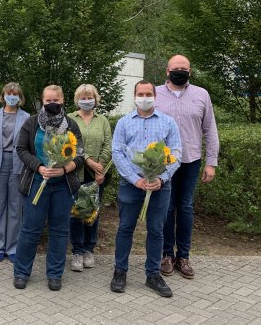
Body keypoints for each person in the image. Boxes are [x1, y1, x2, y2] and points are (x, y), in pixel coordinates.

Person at [110, 80, 181, 298]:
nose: (144, 97)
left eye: (148, 93)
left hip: (160, 186)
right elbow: (117, 153)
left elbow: (177, 153)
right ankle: (120, 271)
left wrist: (162, 177)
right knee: (125, 228)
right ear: (134, 95)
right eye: (140, 93)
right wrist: (134, 179)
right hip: (132, 185)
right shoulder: (123, 123)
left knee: (156, 231)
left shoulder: (168, 122)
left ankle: (152, 275)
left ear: (154, 96)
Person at [13, 85, 85, 291]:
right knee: (30, 229)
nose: (51, 104)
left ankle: (55, 274)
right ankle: (21, 272)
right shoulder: (31, 122)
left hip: (62, 185)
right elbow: (21, 149)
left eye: (55, 100)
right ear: (42, 101)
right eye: (47, 101)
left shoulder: (71, 124)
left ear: (62, 100)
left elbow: (80, 154)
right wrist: (39, 167)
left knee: (60, 230)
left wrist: (63, 170)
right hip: (37, 182)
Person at [155, 55, 219, 279]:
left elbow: (210, 130)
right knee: (166, 207)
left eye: (184, 68)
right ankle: (166, 254)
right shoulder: (155, 94)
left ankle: (183, 256)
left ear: (190, 72)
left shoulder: (201, 95)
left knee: (185, 207)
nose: (180, 71)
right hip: (163, 162)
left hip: (191, 160)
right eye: (176, 68)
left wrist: (211, 162)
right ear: (167, 71)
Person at [0, 82, 30, 262]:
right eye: (9, 93)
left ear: (20, 97)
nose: (12, 96)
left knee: (15, 209)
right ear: (3, 95)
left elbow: (28, 144)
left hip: (18, 164)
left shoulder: (25, 117)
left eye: (15, 93)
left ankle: (13, 248)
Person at [68, 84, 112, 272]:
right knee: (76, 212)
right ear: (77, 99)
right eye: (83, 97)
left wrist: (99, 167)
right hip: (74, 172)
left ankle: (89, 249)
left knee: (93, 212)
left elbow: (109, 144)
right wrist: (87, 160)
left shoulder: (102, 120)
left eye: (90, 97)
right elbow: (68, 143)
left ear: (96, 98)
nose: (87, 100)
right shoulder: (69, 118)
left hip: (97, 175)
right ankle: (77, 251)